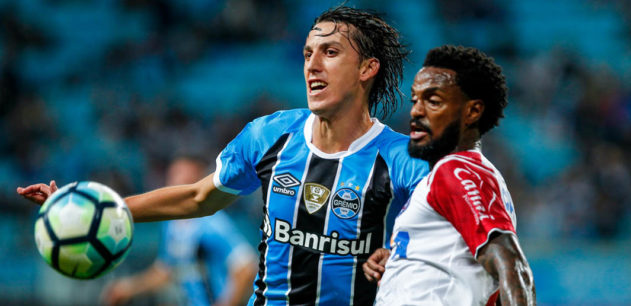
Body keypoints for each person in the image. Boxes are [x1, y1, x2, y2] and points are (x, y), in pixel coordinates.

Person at [17, 6, 430, 305]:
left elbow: (455, 232)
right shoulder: (271, 135)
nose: (312, 65)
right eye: (307, 53)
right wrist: (97, 210)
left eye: (330, 53)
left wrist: (404, 252)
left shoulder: (403, 159)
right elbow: (198, 198)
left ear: (367, 69)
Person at [363, 45, 536, 305]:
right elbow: (491, 284)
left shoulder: (457, 170)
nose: (416, 111)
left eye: (433, 101)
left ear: (472, 111)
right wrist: (403, 261)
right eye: (415, 100)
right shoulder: (465, 177)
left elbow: (512, 267)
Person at [101, 156, 257, 306]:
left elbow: (246, 267)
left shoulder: (212, 224)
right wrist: (128, 288)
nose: (175, 183)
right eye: (173, 176)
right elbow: (165, 271)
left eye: (183, 177)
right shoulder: (171, 225)